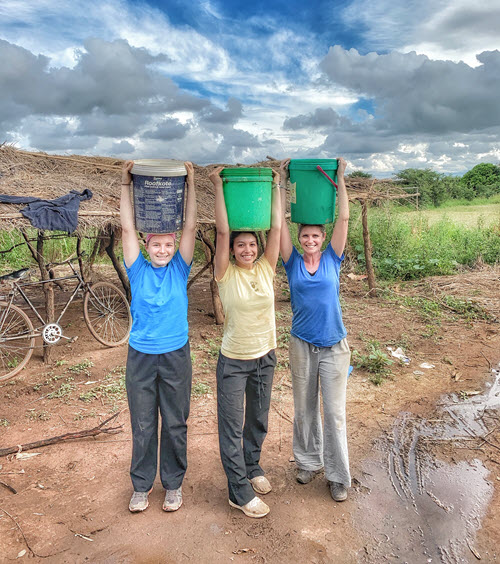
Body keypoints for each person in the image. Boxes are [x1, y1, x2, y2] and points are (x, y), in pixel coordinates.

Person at [120, 160, 197, 513]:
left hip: (175, 356)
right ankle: (141, 486)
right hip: (140, 356)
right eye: (157, 246)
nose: (163, 250)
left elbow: (191, 226)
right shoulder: (137, 270)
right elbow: (126, 227)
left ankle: (173, 484)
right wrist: (126, 184)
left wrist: (191, 183)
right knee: (143, 421)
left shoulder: (180, 269)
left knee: (175, 422)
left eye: (168, 244)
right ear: (147, 247)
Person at [208, 166, 281, 518]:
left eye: (252, 244)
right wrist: (218, 184)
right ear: (233, 249)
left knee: (258, 419)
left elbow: (278, 227)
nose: (247, 249)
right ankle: (238, 490)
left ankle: (252, 467)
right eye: (241, 245)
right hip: (234, 361)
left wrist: (277, 184)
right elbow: (222, 230)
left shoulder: (267, 267)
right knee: (231, 424)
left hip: (265, 356)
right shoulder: (225, 273)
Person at [279, 157, 351, 502]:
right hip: (302, 344)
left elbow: (344, 218)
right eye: (305, 235)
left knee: (334, 413)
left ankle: (338, 476)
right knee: (304, 409)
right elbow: (278, 224)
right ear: (300, 237)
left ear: (323, 238)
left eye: (315, 235)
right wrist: (281, 181)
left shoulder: (333, 258)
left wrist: (339, 177)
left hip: (334, 345)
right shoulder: (291, 260)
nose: (310, 240)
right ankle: (308, 462)